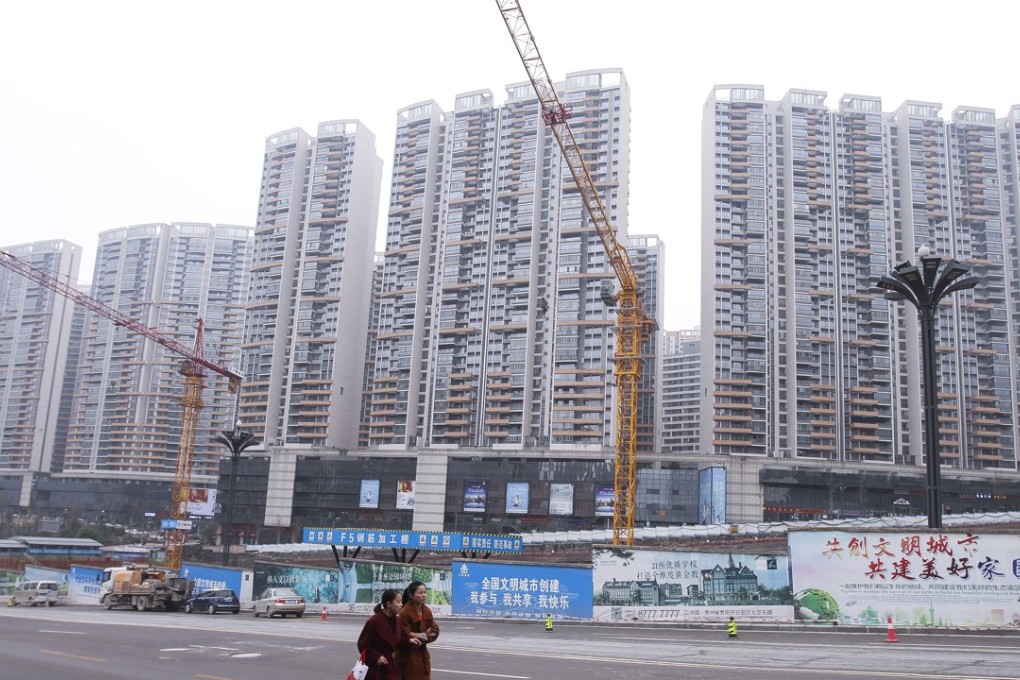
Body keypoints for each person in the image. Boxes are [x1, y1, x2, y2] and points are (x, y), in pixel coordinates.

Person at [357, 589, 421, 680]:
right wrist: (376, 656)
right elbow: (362, 645)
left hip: (391, 667)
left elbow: (395, 642)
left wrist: (408, 641)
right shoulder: (374, 621)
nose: (401, 605)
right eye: (398, 602)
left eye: (401, 602)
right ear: (388, 604)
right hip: (376, 670)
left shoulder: (397, 621)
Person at [397, 581, 440, 680]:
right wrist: (420, 635)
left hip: (422, 652)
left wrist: (421, 636)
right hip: (407, 655)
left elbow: (435, 630)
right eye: (420, 593)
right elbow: (403, 633)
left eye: (425, 592)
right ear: (411, 595)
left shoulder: (426, 611)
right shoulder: (404, 612)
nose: (423, 595)